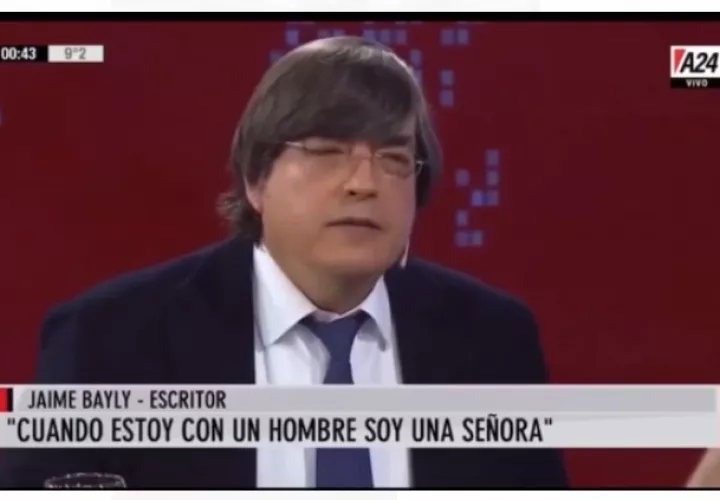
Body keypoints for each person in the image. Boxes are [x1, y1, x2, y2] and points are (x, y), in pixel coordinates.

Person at [0, 36, 566, 489]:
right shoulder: (109, 338)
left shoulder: (493, 340)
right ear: (256, 179)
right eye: (326, 152)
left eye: (394, 158)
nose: (364, 183)